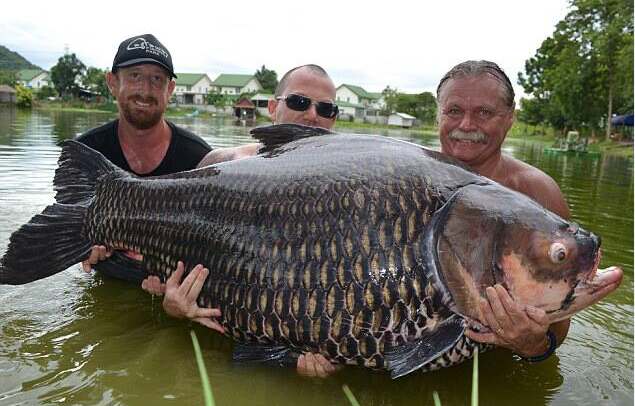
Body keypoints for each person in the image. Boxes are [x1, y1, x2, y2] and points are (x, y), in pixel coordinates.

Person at [142, 64, 341, 378]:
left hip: (280, 348)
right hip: (209, 342)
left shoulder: (345, 190)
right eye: (300, 102)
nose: (313, 115)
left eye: (326, 108)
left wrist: (335, 348)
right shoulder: (222, 164)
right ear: (273, 107)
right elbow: (170, 264)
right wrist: (168, 301)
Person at [435, 60, 571, 361]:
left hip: (493, 364)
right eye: (454, 111)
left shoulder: (538, 192)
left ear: (510, 118)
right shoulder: (406, 182)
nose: (466, 125)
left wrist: (534, 345)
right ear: (438, 115)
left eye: (484, 113)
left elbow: (560, 325)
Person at [78, 34, 212, 283]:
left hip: (172, 285)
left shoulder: (200, 158)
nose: (145, 90)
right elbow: (69, 220)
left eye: (156, 79)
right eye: (135, 76)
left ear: (169, 89)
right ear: (112, 82)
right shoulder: (87, 150)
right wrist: (82, 246)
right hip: (107, 277)